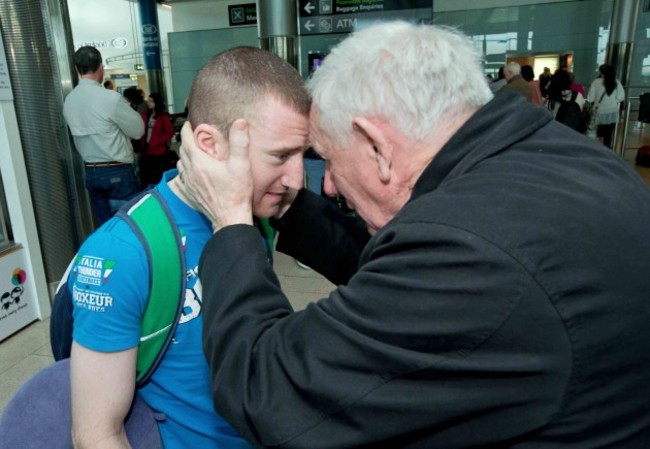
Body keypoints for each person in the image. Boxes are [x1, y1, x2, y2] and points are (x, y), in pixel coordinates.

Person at [177, 21, 650, 448]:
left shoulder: (474, 251)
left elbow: (269, 389)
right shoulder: (561, 163)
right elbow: (398, 279)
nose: (326, 183)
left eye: (329, 160)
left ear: (378, 147)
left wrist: (232, 220)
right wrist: (290, 208)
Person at [67, 46, 310, 449]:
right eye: (280, 156)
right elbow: (96, 433)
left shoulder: (253, 219)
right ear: (209, 144)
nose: (297, 179)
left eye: (303, 154)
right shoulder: (122, 254)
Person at [63, 46, 143, 225]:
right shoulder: (110, 99)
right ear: (101, 67)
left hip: (91, 172)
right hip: (118, 172)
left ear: (76, 69)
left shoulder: (69, 100)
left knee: (105, 227)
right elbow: (138, 131)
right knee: (129, 226)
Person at [139, 92, 175, 187]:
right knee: (147, 176)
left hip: (158, 150)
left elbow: (169, 132)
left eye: (151, 101)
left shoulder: (163, 116)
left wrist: (158, 140)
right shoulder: (147, 114)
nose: (148, 103)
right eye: (149, 100)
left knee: (156, 175)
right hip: (146, 148)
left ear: (156, 102)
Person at [587, 63, 626, 148]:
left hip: (599, 112)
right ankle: (607, 151)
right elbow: (621, 97)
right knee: (608, 135)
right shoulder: (616, 82)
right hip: (612, 112)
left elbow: (590, 98)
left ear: (602, 73)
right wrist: (612, 101)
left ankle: (598, 150)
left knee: (598, 133)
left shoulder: (596, 82)